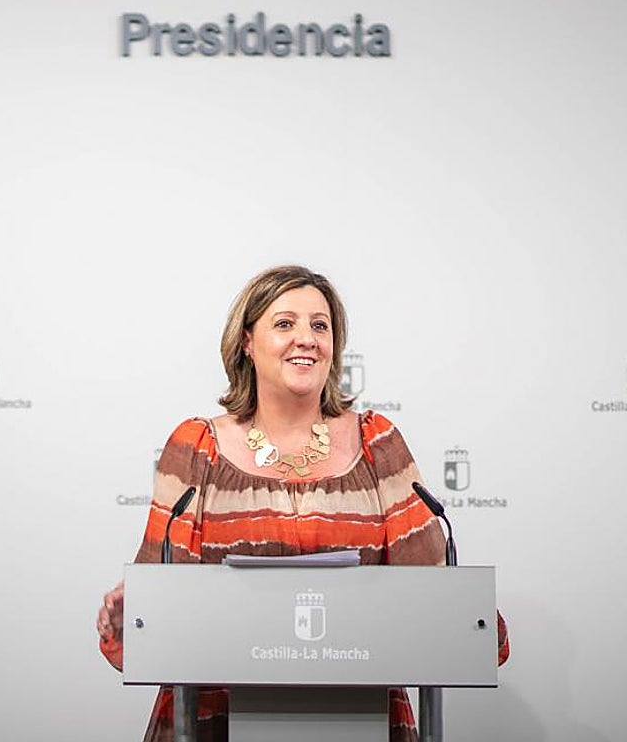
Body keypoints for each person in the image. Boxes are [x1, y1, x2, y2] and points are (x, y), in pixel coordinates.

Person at [95, 264, 509, 742]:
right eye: (285, 323)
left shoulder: (379, 443)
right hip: (213, 715)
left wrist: (470, 615)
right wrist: (134, 610)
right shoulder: (195, 449)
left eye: (320, 325)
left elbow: (434, 595)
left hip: (364, 715)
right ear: (247, 342)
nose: (306, 339)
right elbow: (159, 610)